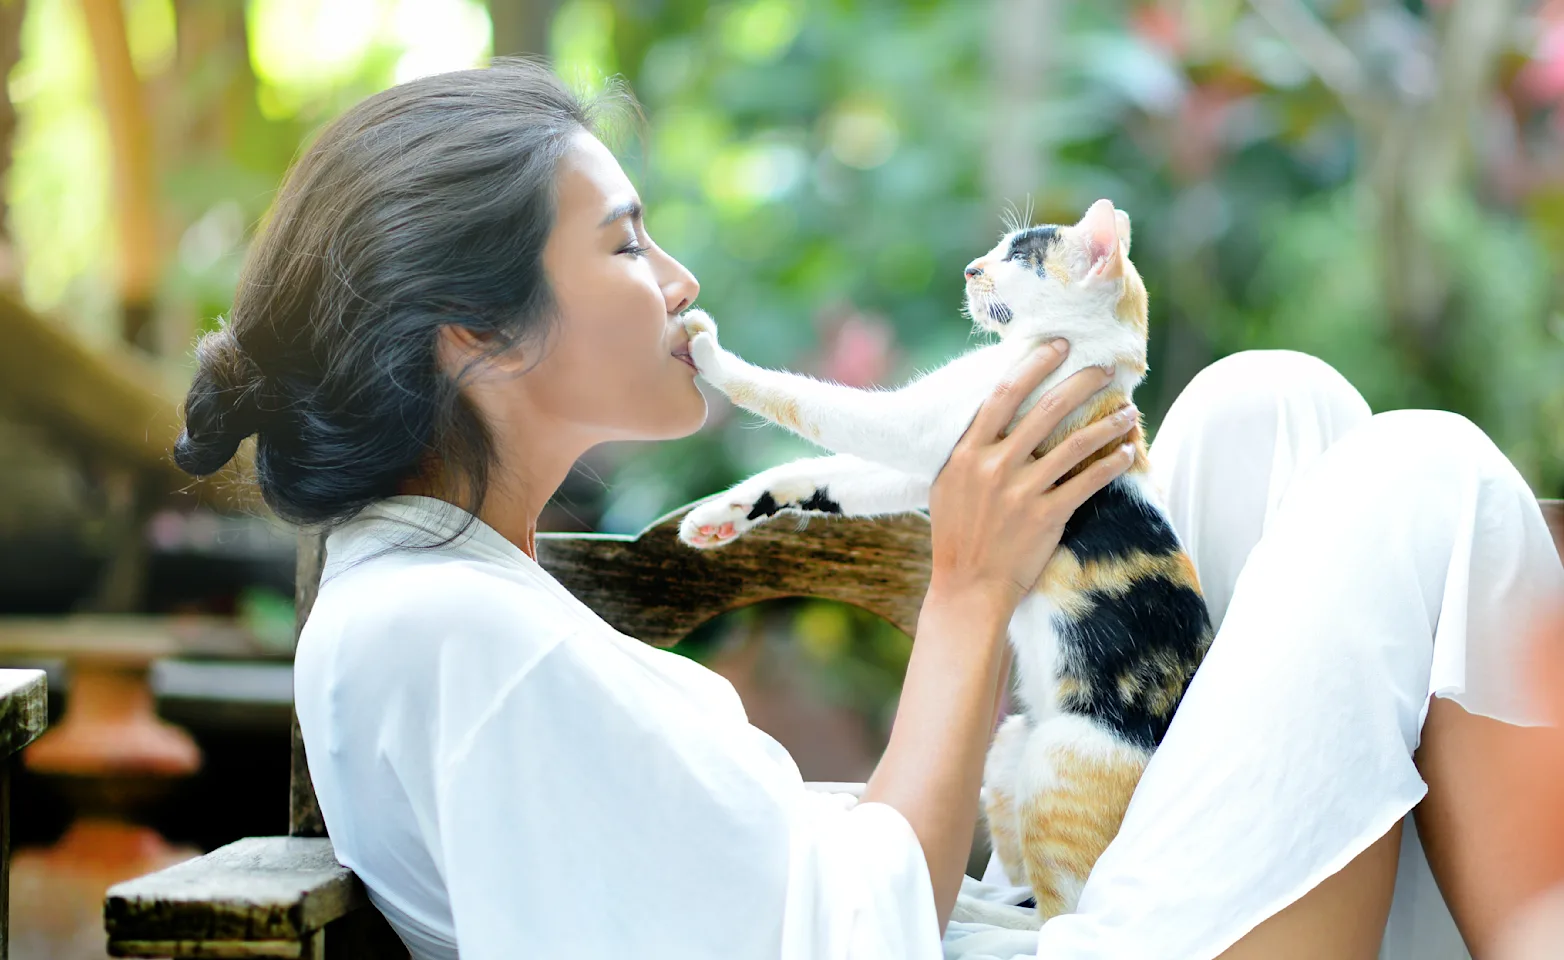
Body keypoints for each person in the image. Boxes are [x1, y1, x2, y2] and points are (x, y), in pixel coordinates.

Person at [170, 60, 1564, 960]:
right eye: (623, 240)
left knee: (1274, 412)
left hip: (996, 923)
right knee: (1416, 476)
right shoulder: (455, 641)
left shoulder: (440, 598)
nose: (674, 276)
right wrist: (965, 595)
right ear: (472, 336)